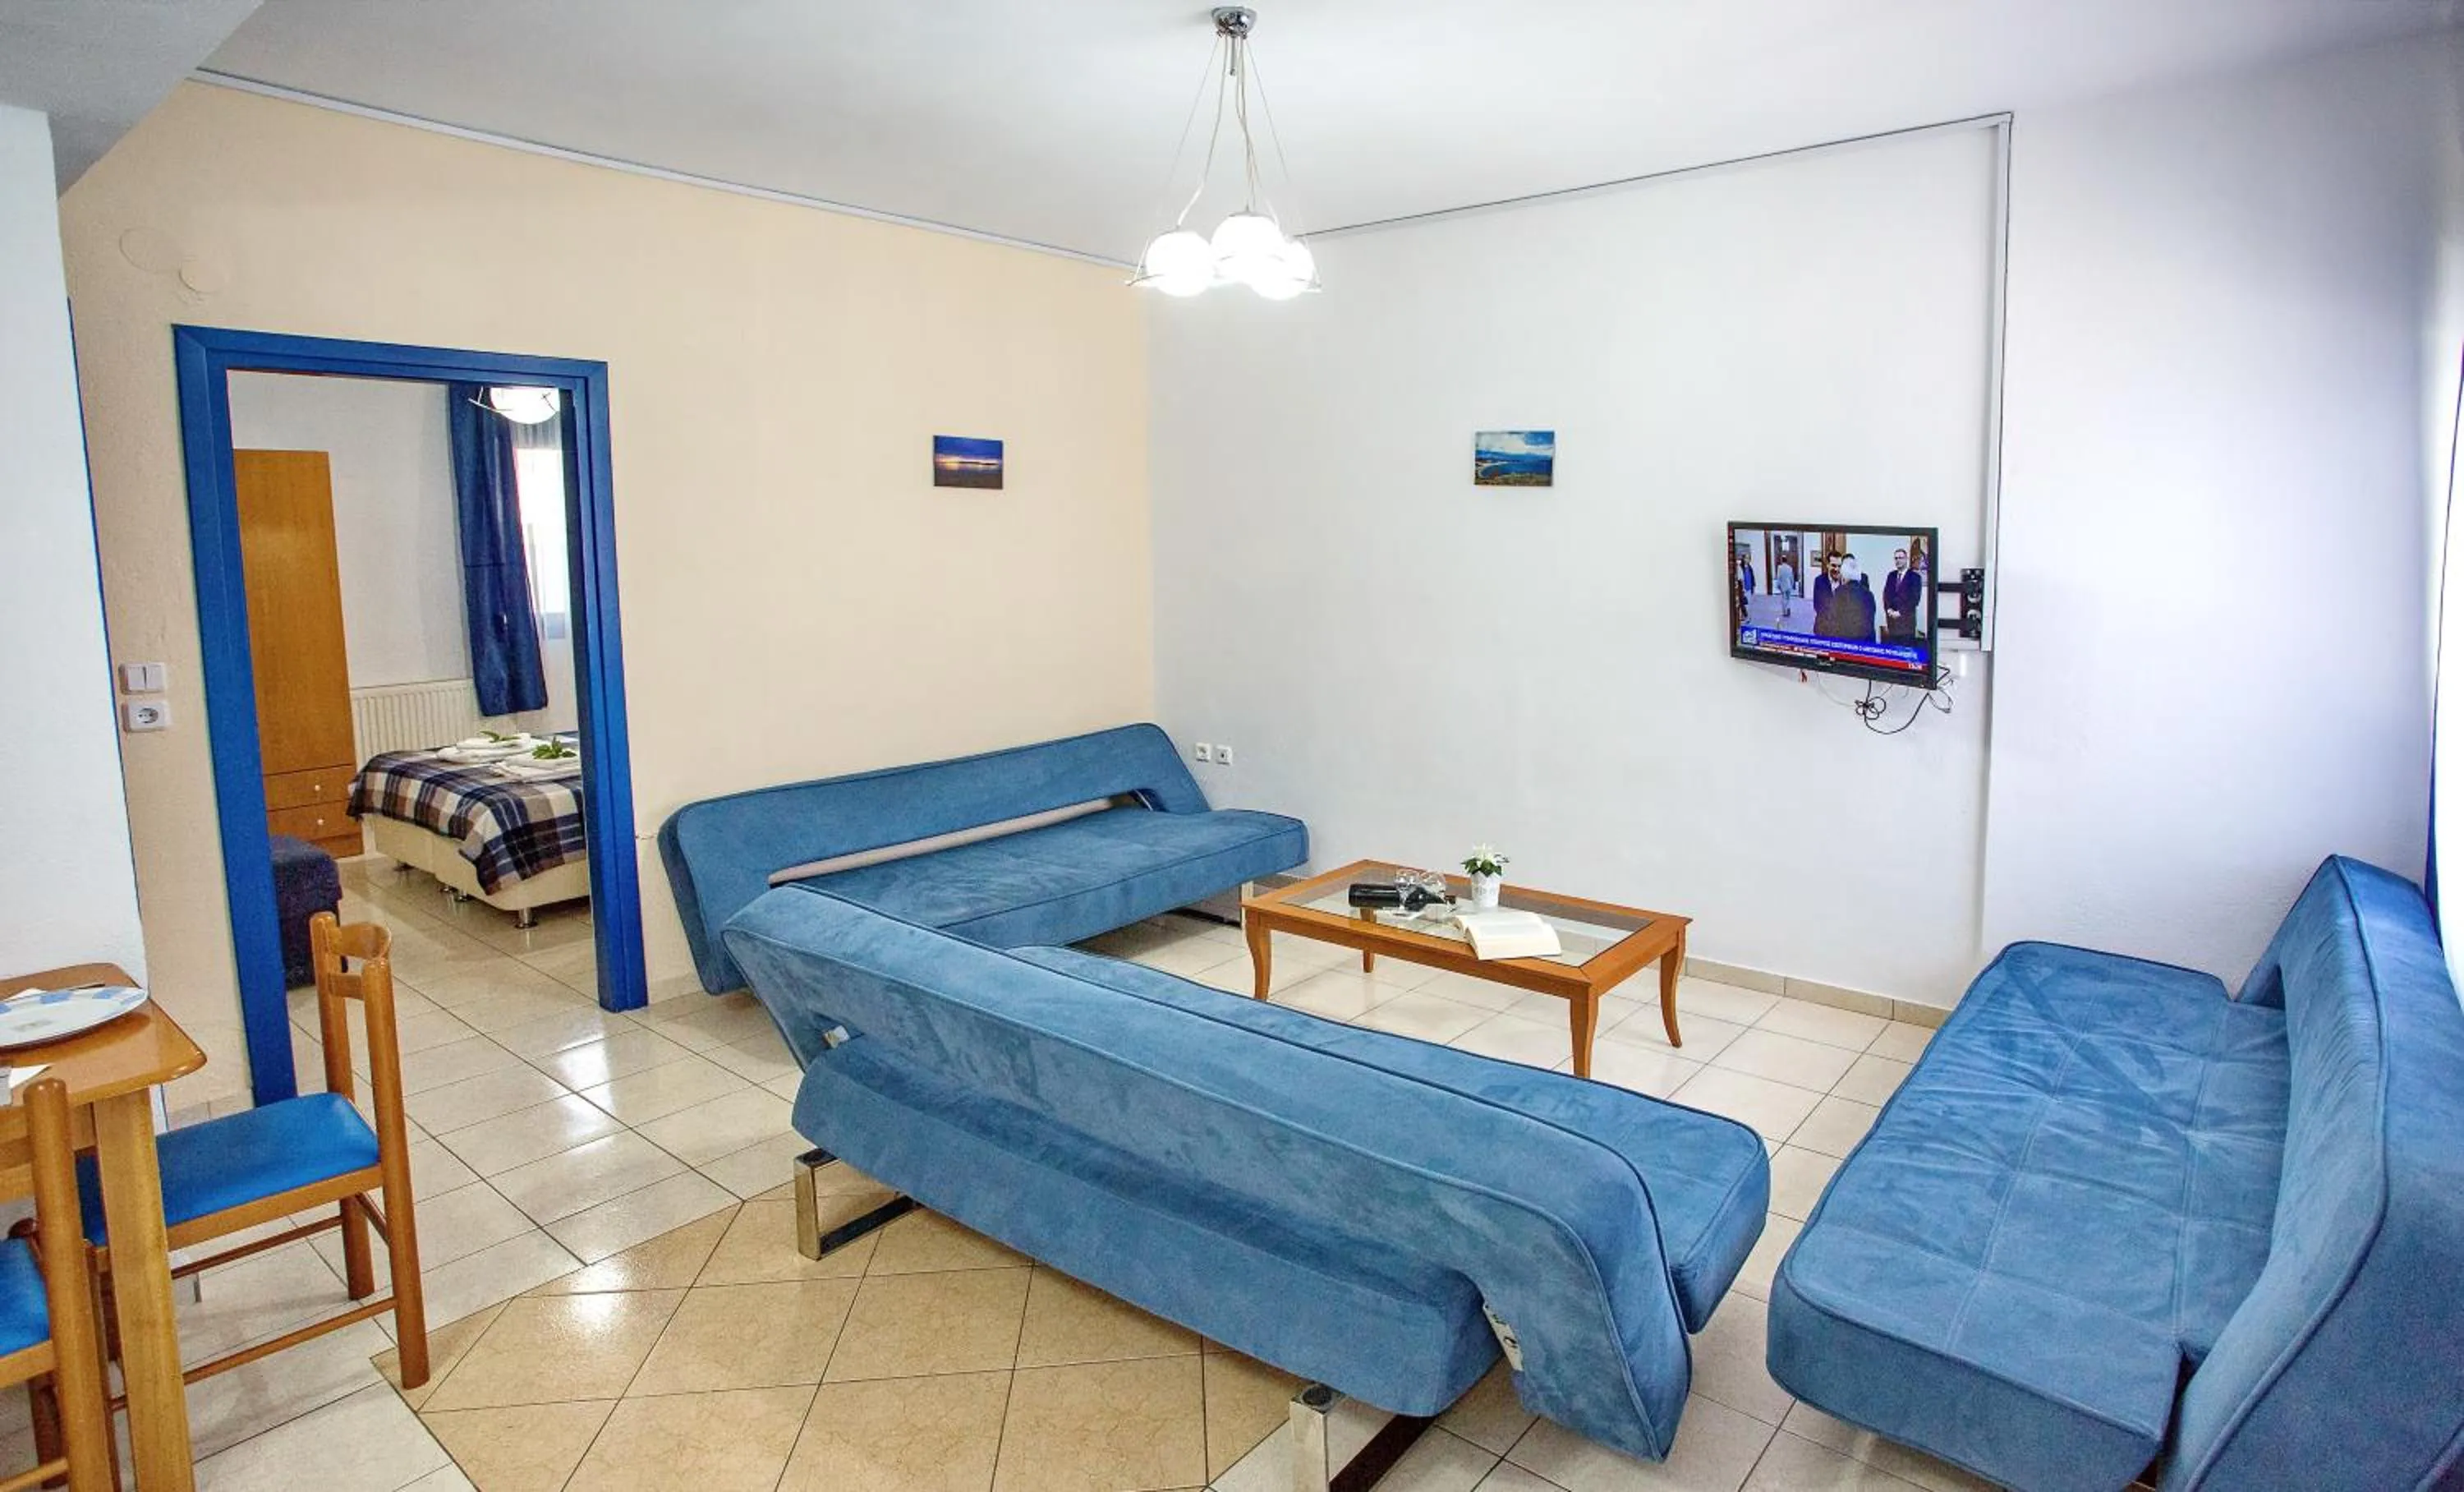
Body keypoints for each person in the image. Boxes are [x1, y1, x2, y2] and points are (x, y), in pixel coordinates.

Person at [1819, 555, 1878, 642]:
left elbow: (1833, 620)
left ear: (1844, 575)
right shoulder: (1869, 594)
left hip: (1846, 643)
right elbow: (1870, 621)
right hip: (1865, 644)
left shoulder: (1839, 593)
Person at [1882, 547, 1923, 640]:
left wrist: (1900, 613)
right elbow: (1886, 595)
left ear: (1906, 559)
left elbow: (1915, 600)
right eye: (1896, 558)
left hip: (1906, 625)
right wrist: (1888, 610)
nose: (1898, 560)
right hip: (1892, 624)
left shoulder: (1915, 577)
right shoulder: (1891, 576)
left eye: (1901, 558)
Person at [1773, 553, 1798, 620]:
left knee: (1784, 599)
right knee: (1789, 598)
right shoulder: (1790, 568)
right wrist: (1792, 585)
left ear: (1782, 560)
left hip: (1783, 585)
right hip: (1789, 585)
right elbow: (1792, 577)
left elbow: (1778, 577)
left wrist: (1777, 585)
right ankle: (1788, 609)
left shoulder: (1780, 568)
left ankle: (1785, 612)